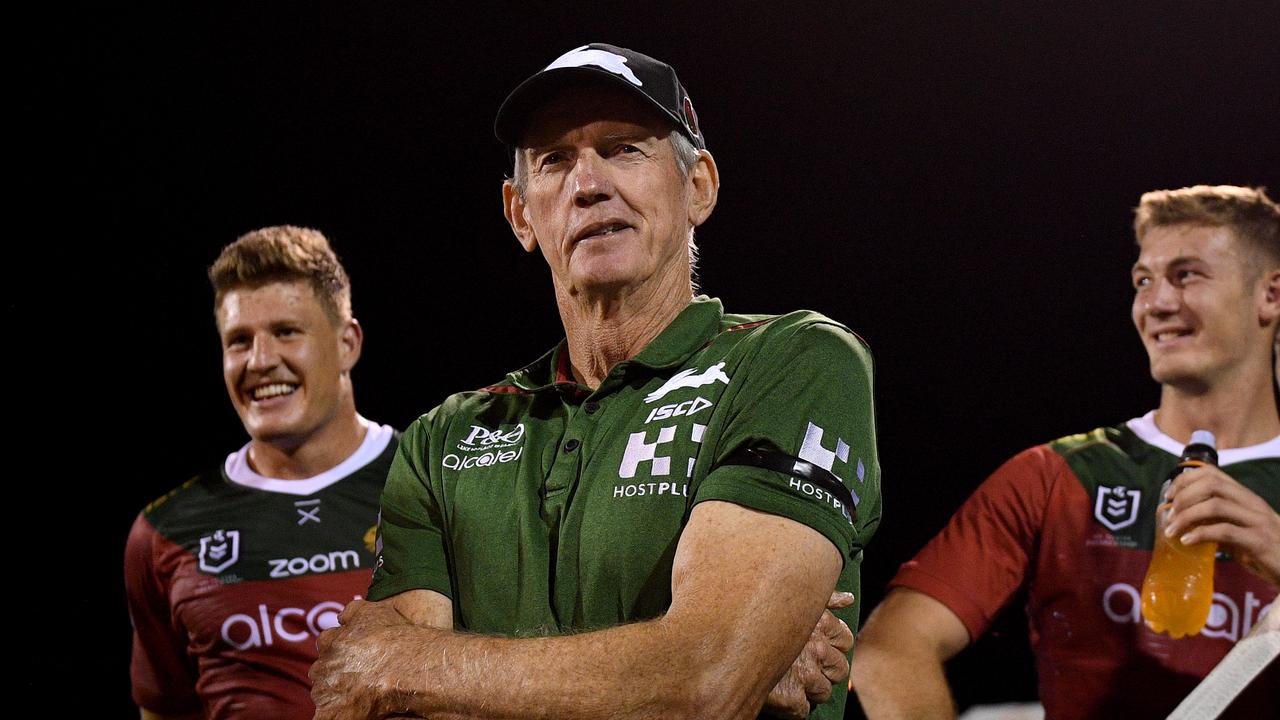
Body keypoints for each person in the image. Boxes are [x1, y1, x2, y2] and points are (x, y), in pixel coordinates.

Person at [310, 43, 881, 720]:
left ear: (698, 186)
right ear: (521, 215)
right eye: (555, 161)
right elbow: (368, 705)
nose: (588, 184)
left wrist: (412, 664)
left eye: (623, 149)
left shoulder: (795, 361)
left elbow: (703, 683)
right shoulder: (443, 442)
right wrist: (697, 664)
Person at [850, 185, 1280, 719]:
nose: (1157, 303)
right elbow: (891, 649)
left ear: (1271, 295)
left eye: (1187, 274)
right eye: (1144, 280)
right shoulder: (1055, 476)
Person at [124, 226, 397, 719]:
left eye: (286, 332)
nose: (260, 361)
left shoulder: (431, 484)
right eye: (239, 341)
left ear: (347, 343)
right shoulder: (165, 533)